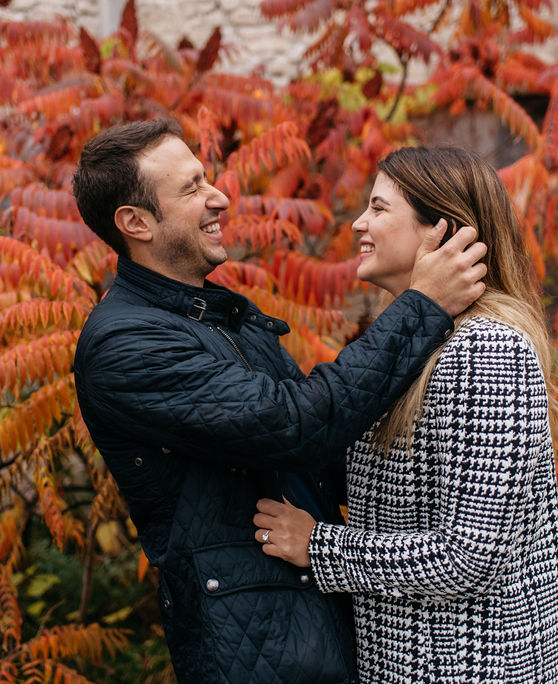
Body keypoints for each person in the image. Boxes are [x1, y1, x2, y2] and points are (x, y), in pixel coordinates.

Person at [71, 120, 487, 683]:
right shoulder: (128, 345)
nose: (219, 197)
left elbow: (327, 457)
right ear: (136, 223)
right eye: (192, 188)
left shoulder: (218, 316)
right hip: (261, 653)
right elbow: (300, 426)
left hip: (317, 622)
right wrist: (423, 305)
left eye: (207, 179)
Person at [253, 145, 558, 682]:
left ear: (441, 232)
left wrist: (319, 547)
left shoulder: (489, 350)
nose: (359, 222)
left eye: (379, 209)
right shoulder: (416, 346)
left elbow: (468, 557)